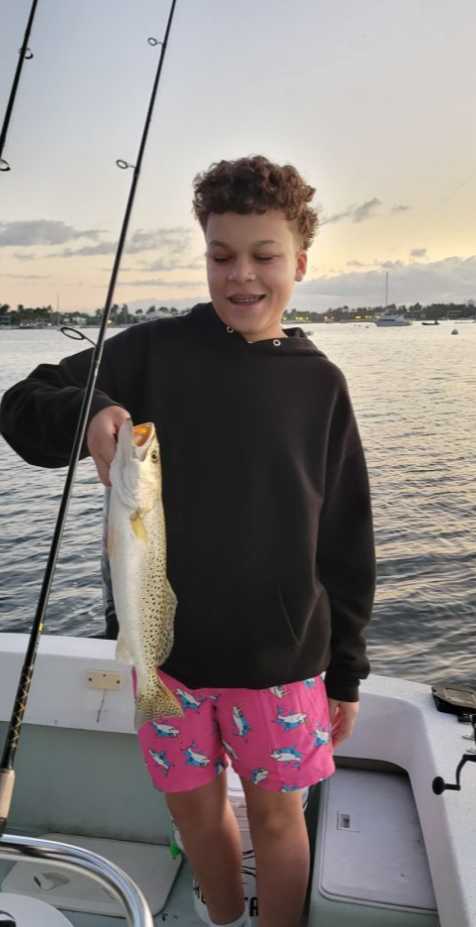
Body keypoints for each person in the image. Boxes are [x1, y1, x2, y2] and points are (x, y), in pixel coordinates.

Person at [0, 155, 376, 927]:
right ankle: (224, 918)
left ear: (299, 261)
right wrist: (93, 410)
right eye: (221, 255)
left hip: (282, 664)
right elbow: (21, 404)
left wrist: (347, 670)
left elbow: (345, 537)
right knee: (195, 818)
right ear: (204, 253)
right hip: (161, 667)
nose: (243, 276)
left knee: (279, 821)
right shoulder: (153, 352)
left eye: (264, 256)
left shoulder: (322, 385)